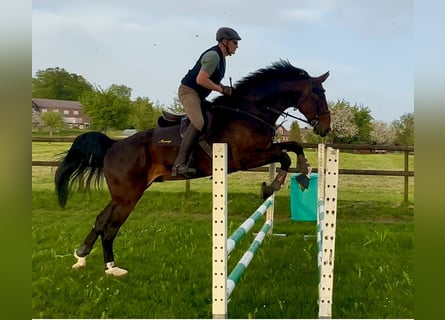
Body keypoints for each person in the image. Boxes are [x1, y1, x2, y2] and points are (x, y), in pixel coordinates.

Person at [172, 27, 241, 177]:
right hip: (188, 92)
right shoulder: (213, 56)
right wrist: (221, 89)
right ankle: (179, 163)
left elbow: (209, 81)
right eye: (235, 42)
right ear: (224, 42)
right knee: (198, 122)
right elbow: (201, 79)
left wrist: (223, 88)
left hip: (198, 95)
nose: (237, 46)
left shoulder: (221, 58)